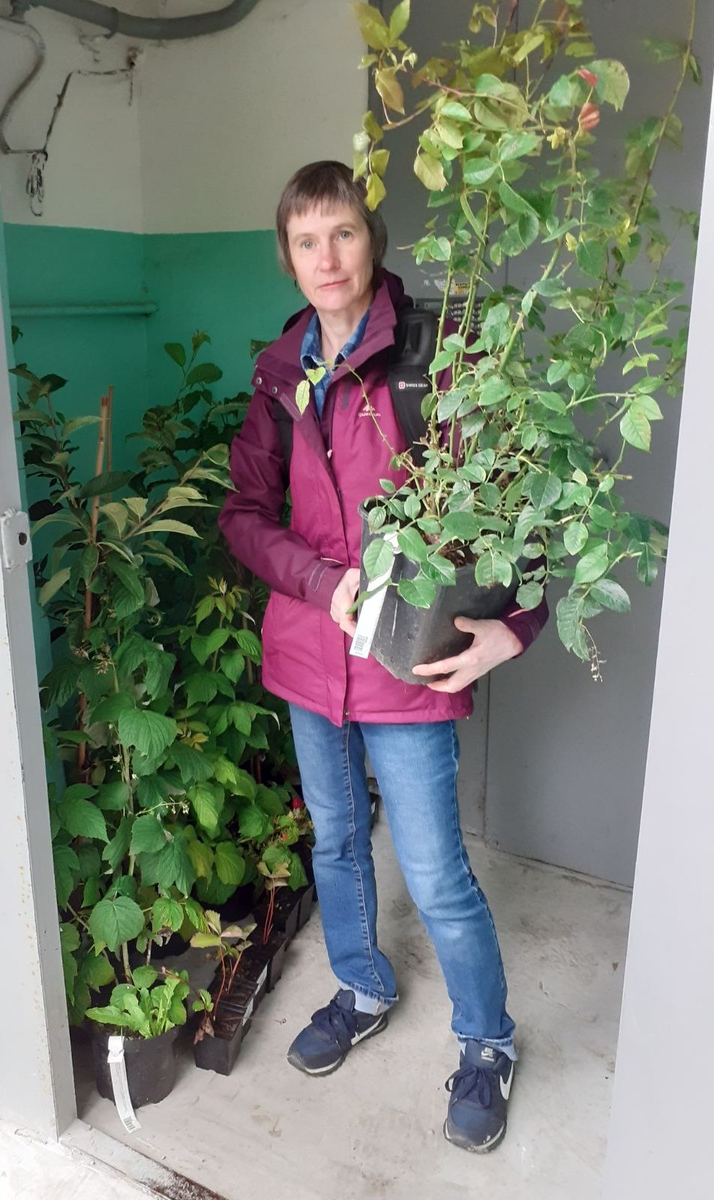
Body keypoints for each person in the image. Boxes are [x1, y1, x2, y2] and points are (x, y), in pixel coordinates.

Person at [218, 161, 548, 1154]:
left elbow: (520, 499)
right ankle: (361, 987)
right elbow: (243, 516)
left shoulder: (437, 356)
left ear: (375, 240)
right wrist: (320, 583)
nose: (327, 257)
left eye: (344, 233)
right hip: (309, 658)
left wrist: (517, 627)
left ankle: (487, 1042)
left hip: (408, 663)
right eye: (306, 241)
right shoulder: (279, 374)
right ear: (287, 258)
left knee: (436, 872)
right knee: (335, 843)